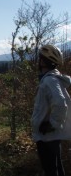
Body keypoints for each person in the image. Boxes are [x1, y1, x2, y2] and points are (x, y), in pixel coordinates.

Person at [31, 44, 71, 176]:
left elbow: (61, 103)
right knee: (56, 169)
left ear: (42, 61)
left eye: (40, 58)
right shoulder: (53, 79)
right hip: (50, 136)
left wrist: (52, 125)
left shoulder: (49, 81)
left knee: (51, 171)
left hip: (47, 136)